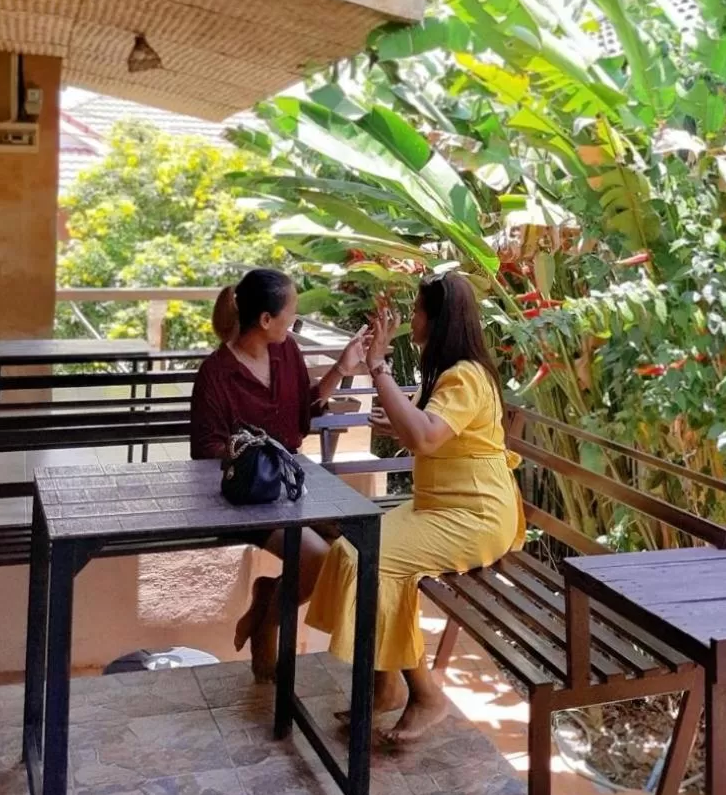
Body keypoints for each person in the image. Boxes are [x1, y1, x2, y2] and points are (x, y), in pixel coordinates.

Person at [306, 271, 524, 742]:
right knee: (354, 549)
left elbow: (425, 436)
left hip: (475, 517)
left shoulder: (465, 375)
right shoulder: (446, 374)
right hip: (436, 507)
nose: (414, 319)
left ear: (438, 319)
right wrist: (394, 421)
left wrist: (378, 366)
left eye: (420, 311)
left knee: (370, 559)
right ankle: (387, 685)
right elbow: (423, 428)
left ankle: (425, 694)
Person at [190, 268, 369, 678]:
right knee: (319, 559)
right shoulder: (217, 373)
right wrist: (255, 457)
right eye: (291, 312)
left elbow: (302, 408)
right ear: (266, 320)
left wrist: (341, 368)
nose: (295, 320)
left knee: (356, 547)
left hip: (294, 485)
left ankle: (267, 601)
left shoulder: (286, 352)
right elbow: (206, 452)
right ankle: (268, 623)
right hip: (248, 497)